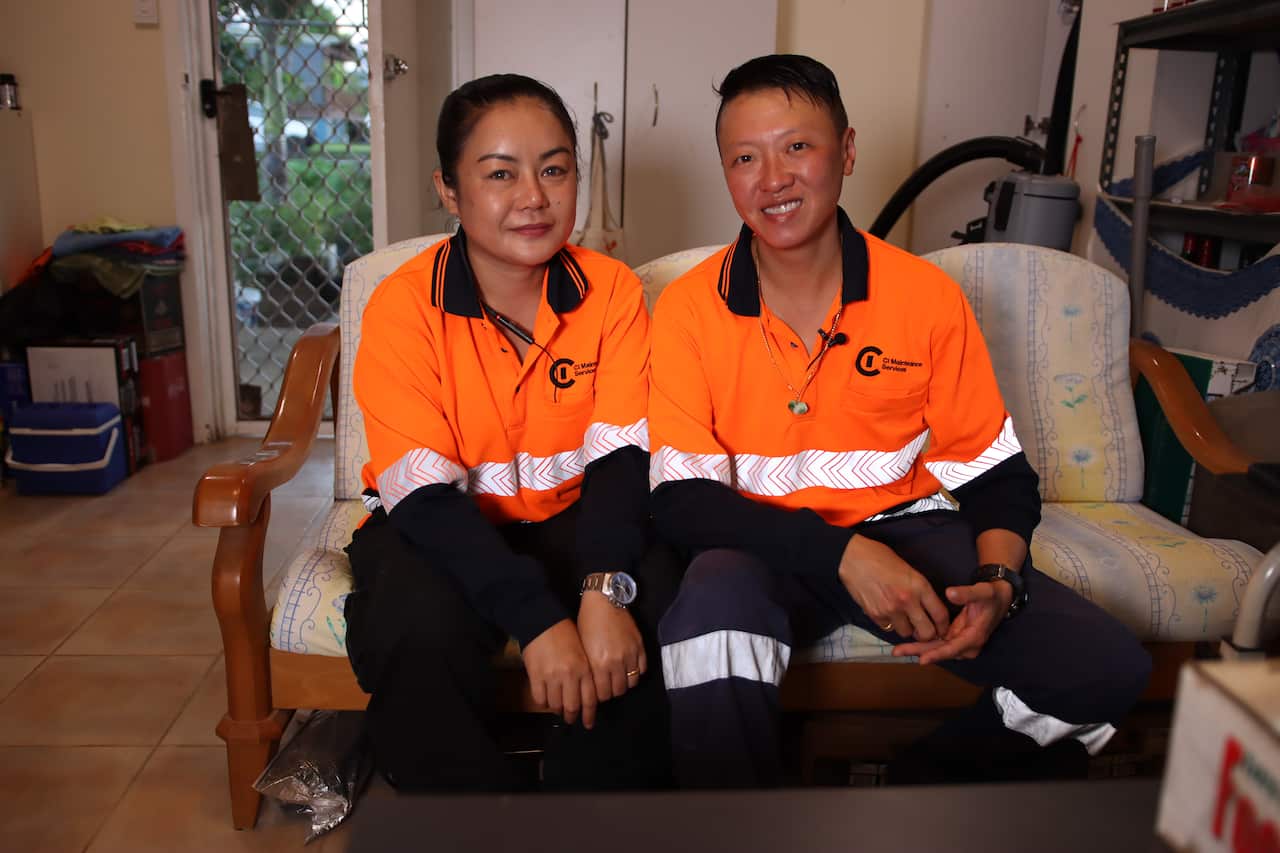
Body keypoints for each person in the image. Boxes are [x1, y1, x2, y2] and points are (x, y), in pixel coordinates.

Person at [647, 54, 1152, 787]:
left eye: (797, 146)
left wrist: (998, 579)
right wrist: (842, 555)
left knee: (1106, 668)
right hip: (756, 542)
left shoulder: (923, 295)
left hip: (907, 531)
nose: (772, 179)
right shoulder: (690, 309)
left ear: (846, 150)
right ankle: (739, 826)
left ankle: (908, 794)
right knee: (710, 616)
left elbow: (997, 475)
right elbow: (682, 501)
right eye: (744, 158)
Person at [344, 73, 677, 791]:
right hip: (440, 526)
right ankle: (468, 827)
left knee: (652, 603)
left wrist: (604, 589)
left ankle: (596, 821)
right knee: (415, 627)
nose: (533, 197)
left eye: (554, 170)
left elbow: (623, 459)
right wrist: (539, 620)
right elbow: (424, 498)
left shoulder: (612, 292)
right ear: (449, 189)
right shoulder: (403, 308)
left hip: (579, 518)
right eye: (500, 174)